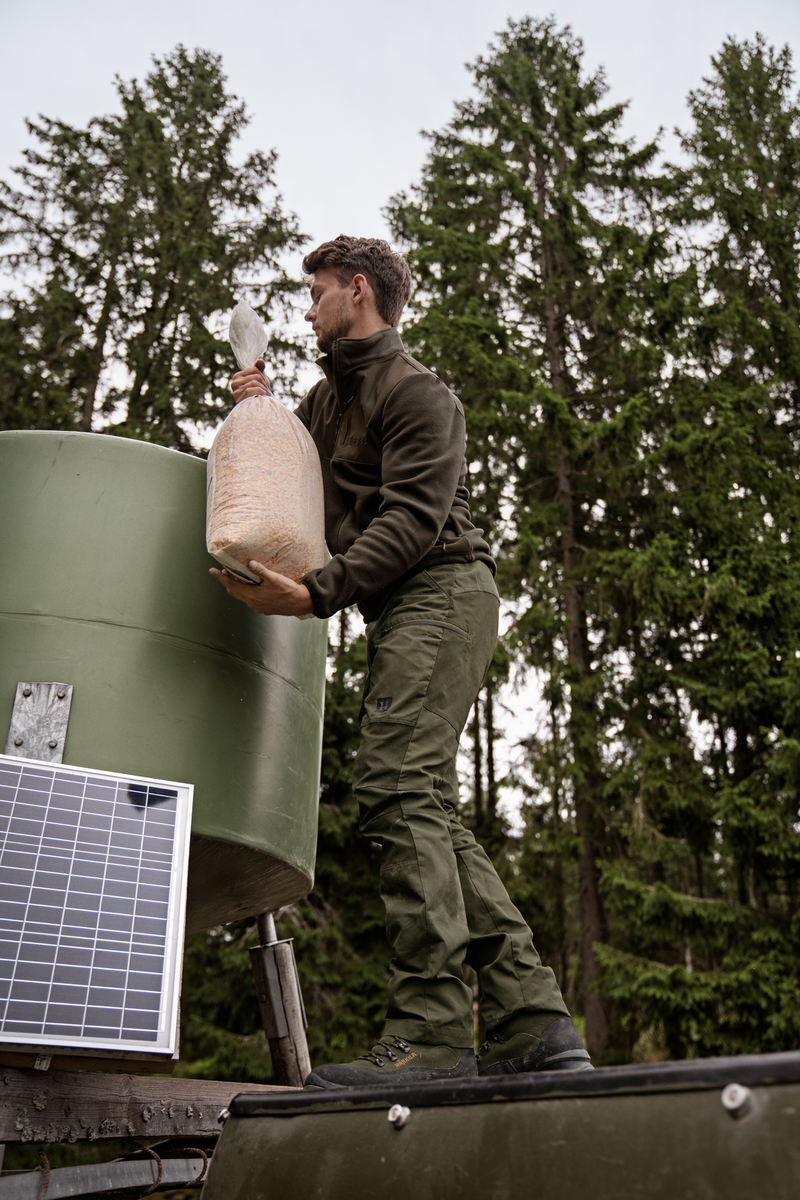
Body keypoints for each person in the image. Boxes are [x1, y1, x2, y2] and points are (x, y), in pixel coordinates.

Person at [212, 235, 591, 1089]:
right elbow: (287, 483)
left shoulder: (419, 394)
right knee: (424, 805)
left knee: (390, 784)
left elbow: (412, 521)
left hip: (445, 591)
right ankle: (533, 1021)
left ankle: (429, 1033)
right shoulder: (322, 403)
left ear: (357, 291)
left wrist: (316, 595)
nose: (305, 310)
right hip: (401, 609)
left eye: (316, 294)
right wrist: (260, 408)